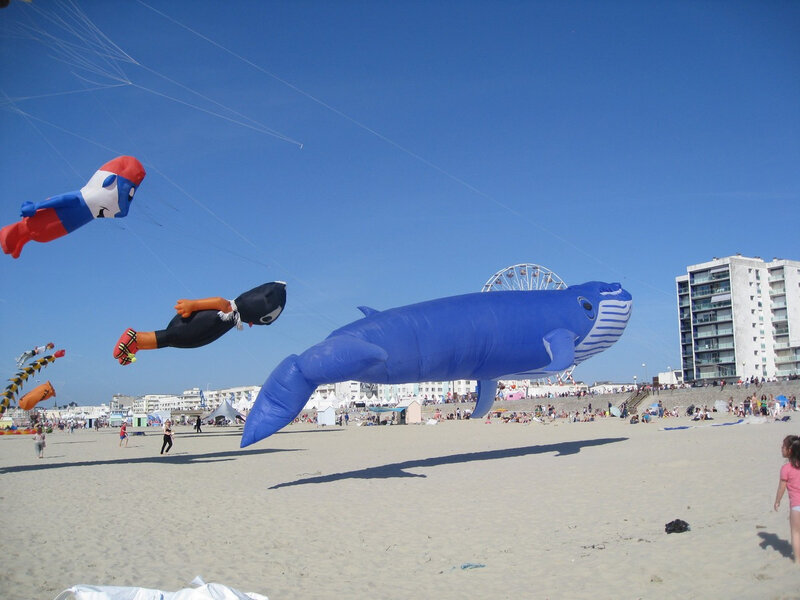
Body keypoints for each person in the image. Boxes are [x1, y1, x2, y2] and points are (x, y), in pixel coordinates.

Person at [113, 282, 287, 365]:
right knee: (174, 335)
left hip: (206, 328)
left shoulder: (234, 316)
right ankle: (134, 338)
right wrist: (193, 305)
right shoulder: (228, 307)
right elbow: (218, 301)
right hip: (200, 323)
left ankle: (136, 347)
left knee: (172, 340)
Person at [774, 435, 800, 565]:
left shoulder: (786, 469)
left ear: (790, 450)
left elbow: (781, 488)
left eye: (783, 446)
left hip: (796, 507)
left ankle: (798, 560)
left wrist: (777, 501)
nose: (781, 448)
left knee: (796, 533)